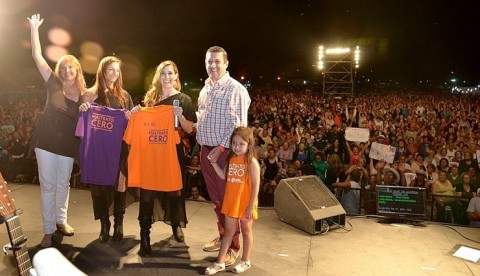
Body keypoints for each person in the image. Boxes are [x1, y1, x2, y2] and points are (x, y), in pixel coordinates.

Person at [125, 60, 195, 256]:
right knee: (147, 193)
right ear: (158, 76)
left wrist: (180, 116)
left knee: (174, 192)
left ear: (176, 76)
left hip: (174, 151)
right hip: (152, 152)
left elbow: (190, 129)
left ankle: (175, 224)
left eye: (170, 73)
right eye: (163, 74)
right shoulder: (150, 100)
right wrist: (135, 114)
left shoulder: (184, 99)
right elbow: (141, 125)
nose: (167, 77)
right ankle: (145, 236)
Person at [27, 14, 86, 248]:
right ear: (60, 70)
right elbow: (37, 56)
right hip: (46, 142)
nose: (68, 70)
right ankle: (48, 231)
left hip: (68, 145)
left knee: (63, 185)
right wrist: (34, 29)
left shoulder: (84, 93)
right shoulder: (53, 83)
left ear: (77, 70)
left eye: (72, 67)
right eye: (65, 67)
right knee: (48, 186)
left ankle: (61, 221)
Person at [196, 46, 251, 266]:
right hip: (206, 151)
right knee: (217, 201)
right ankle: (223, 237)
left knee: (230, 201)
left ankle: (234, 247)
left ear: (226, 63)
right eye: (210, 61)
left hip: (224, 152)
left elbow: (239, 127)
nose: (213, 65)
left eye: (217, 61)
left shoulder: (234, 88)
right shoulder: (205, 88)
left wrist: (220, 148)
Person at [77, 56, 134, 242]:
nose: (114, 74)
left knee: (120, 186)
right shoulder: (89, 95)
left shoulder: (124, 96)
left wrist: (129, 116)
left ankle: (119, 223)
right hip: (97, 149)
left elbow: (133, 124)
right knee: (99, 188)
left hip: (119, 149)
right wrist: (84, 109)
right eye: (111, 69)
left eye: (117, 70)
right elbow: (81, 122)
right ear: (102, 71)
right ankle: (104, 224)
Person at [205, 127, 260, 275]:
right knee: (228, 232)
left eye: (241, 144)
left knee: (247, 232)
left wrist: (250, 207)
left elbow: (256, 186)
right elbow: (223, 176)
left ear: (249, 144)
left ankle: (245, 260)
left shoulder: (252, 162)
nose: (237, 147)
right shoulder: (231, 159)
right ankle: (219, 262)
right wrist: (213, 163)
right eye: (234, 143)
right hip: (231, 203)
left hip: (246, 205)